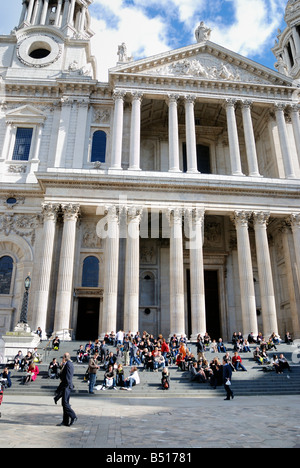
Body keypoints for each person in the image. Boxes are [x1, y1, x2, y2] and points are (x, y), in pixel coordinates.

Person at [55, 353, 77, 427]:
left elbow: (68, 377)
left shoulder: (68, 364)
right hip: (66, 386)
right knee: (64, 403)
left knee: (65, 403)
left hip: (66, 386)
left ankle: (73, 416)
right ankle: (65, 421)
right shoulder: (67, 364)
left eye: (63, 357)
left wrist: (65, 386)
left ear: (65, 357)